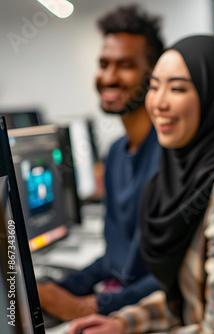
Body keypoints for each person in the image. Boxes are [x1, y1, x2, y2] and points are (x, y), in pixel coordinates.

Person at [68, 35, 214, 334]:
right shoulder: (185, 178)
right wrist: (121, 324)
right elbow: (184, 299)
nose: (158, 102)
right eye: (154, 86)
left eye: (177, 88)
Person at [37, 4, 164, 321]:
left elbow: (171, 272)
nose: (109, 77)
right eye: (103, 64)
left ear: (153, 73)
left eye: (125, 65)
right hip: (116, 298)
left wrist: (92, 307)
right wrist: (55, 289)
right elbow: (115, 258)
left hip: (143, 314)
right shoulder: (116, 153)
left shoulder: (171, 157)